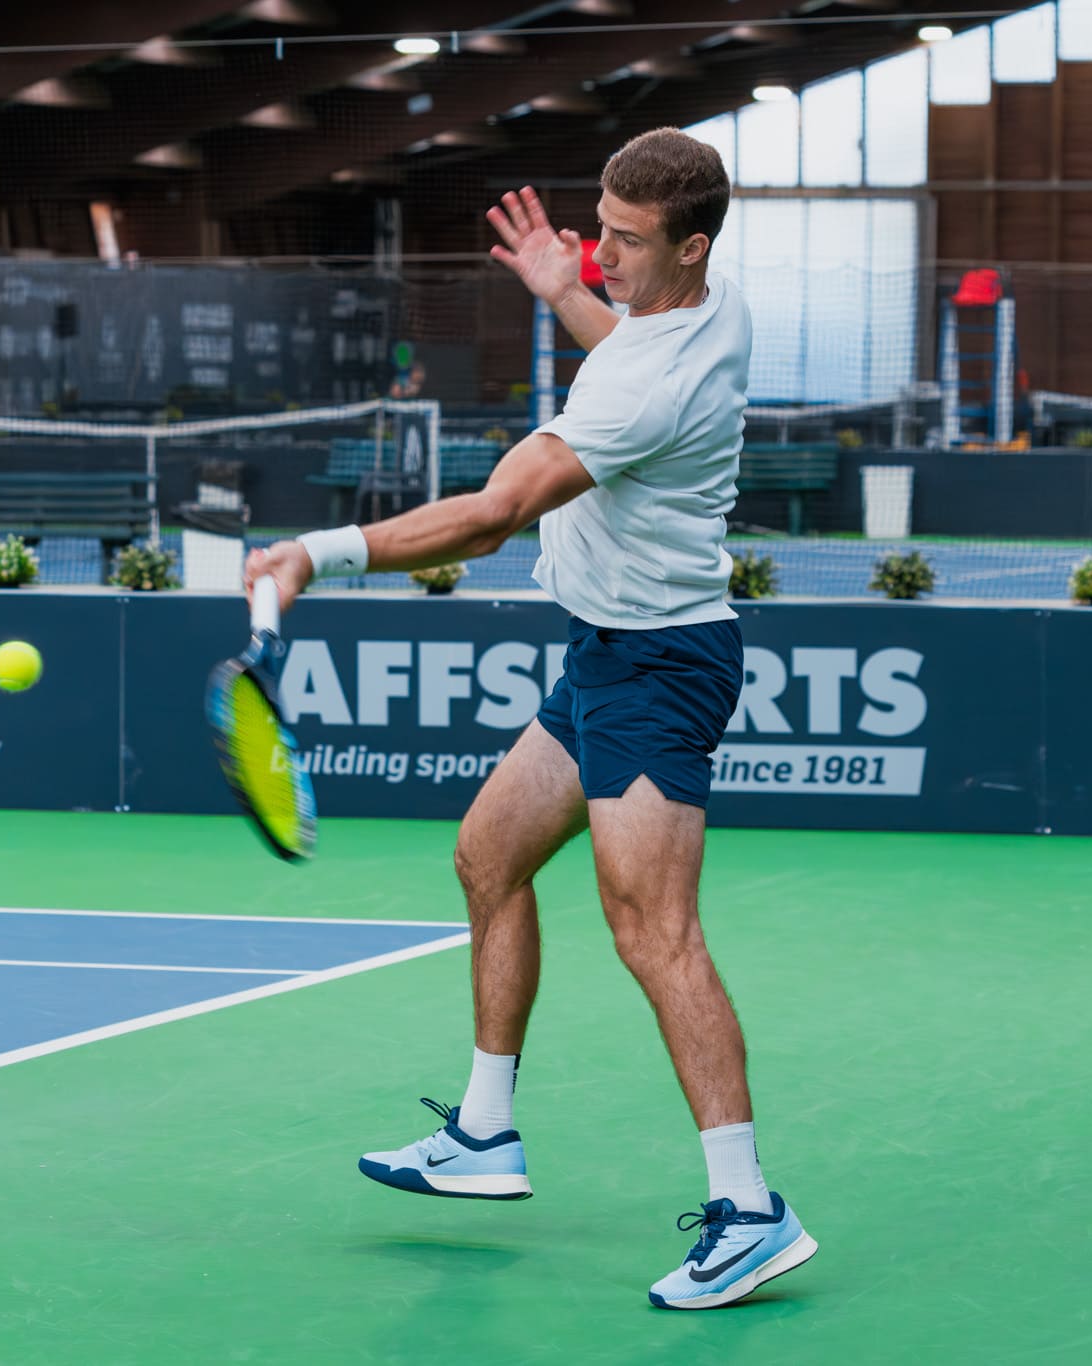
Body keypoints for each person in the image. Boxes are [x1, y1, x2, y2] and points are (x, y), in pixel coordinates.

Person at [242, 128, 814, 1311]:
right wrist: (565, 292)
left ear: (692, 245)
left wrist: (315, 552)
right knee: (487, 855)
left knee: (654, 933)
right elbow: (624, 343)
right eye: (596, 228)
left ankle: (750, 1207)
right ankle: (483, 1132)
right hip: (603, 652)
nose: (598, 253)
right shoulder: (707, 313)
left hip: (658, 668)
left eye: (625, 242)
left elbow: (493, 515)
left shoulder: (647, 383)